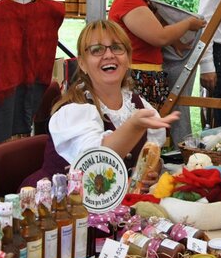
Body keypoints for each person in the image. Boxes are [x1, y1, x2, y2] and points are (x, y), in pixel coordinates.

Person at [45, 20, 180, 191]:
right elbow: (96, 162)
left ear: (128, 58)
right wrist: (134, 126)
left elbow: (151, 154)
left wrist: (152, 171)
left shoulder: (139, 104)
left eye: (117, 48)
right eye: (97, 50)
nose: (109, 55)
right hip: (62, 208)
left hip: (118, 210)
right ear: (82, 63)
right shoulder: (74, 110)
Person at [109, 0, 206, 108]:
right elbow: (160, 37)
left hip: (144, 75)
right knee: (144, 131)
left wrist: (175, 42)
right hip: (137, 76)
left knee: (152, 131)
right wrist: (188, 23)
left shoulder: (139, 0)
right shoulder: (128, 1)